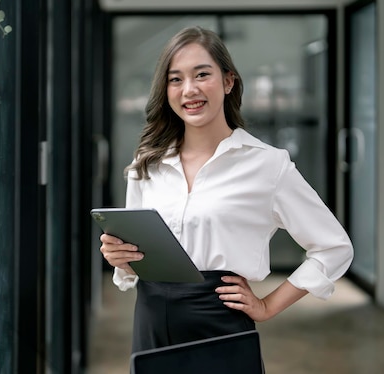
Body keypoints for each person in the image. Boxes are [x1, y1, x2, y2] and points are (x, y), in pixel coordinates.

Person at [99, 26, 354, 360]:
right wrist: (121, 258)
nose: (189, 89)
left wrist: (268, 305)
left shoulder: (266, 165)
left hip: (219, 323)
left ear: (228, 81)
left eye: (202, 74)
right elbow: (137, 262)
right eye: (175, 79)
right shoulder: (147, 164)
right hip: (150, 322)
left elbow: (333, 247)